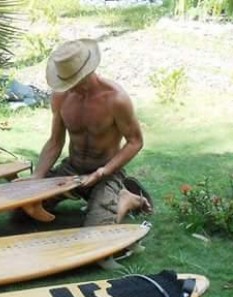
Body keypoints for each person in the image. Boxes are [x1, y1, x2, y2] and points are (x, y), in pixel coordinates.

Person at [24, 38, 152, 225]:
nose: (67, 86)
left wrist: (102, 172)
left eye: (71, 80)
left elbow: (135, 141)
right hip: (72, 170)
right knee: (23, 208)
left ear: (86, 73)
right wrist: (37, 177)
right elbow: (55, 142)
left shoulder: (115, 99)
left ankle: (128, 198)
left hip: (105, 172)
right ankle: (95, 195)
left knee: (97, 228)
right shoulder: (61, 97)